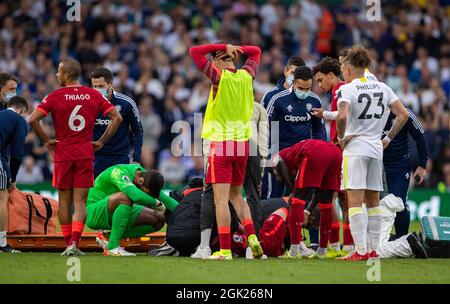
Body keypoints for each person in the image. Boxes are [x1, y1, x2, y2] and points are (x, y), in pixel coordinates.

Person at [28, 59, 123, 256]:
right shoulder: (93, 95)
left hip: (63, 152)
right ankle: (74, 243)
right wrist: (102, 142)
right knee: (80, 202)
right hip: (85, 151)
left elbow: (33, 119)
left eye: (59, 71)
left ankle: (67, 244)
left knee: (64, 200)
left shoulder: (54, 96)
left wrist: (46, 140)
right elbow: (117, 117)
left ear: (67, 75)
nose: (56, 75)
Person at [189, 42, 263, 260]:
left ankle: (224, 250)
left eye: (215, 60)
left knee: (220, 201)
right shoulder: (246, 76)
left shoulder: (219, 78)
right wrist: (238, 48)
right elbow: (256, 51)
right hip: (241, 143)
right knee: (238, 197)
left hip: (221, 143)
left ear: (219, 61)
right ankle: (252, 239)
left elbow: (194, 51)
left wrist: (224, 46)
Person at [336, 46, 409, 261]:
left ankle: (359, 251)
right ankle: (374, 250)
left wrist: (341, 138)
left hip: (355, 149)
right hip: (376, 149)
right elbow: (403, 115)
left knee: (355, 201)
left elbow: (341, 116)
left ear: (348, 70)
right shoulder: (383, 87)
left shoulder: (347, 89)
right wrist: (386, 139)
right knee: (374, 201)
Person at [271, 139, 342, 259]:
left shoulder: (279, 157)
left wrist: (291, 191)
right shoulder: (296, 159)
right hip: (336, 153)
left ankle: (294, 252)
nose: (278, 179)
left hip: (314, 152)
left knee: (297, 202)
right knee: (326, 204)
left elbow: (277, 161)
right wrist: (308, 211)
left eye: (276, 175)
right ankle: (322, 251)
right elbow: (317, 193)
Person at [87, 164, 179, 256]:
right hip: (93, 213)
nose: (145, 194)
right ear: (141, 180)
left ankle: (107, 237)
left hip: (115, 209)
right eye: (145, 192)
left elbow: (163, 198)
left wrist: (185, 211)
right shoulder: (118, 172)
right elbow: (135, 195)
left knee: (159, 219)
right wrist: (156, 204)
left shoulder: (144, 176)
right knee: (125, 197)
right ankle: (113, 247)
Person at [311, 57, 353, 256]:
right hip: (342, 150)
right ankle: (345, 246)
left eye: (320, 80)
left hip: (342, 150)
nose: (319, 85)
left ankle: (341, 246)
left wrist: (324, 114)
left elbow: (342, 116)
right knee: (342, 199)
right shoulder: (345, 89)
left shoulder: (341, 90)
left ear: (331, 75)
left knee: (337, 198)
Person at [264, 66, 326, 199]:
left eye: (308, 88)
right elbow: (268, 127)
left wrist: (319, 153)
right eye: (301, 88)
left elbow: (318, 129)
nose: (304, 92)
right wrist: (272, 156)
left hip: (302, 157)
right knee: (275, 196)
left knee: (301, 198)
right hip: (281, 156)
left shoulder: (314, 100)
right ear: (294, 82)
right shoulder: (278, 100)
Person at [261, 56, 305, 200]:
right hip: (275, 155)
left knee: (297, 198)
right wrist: (267, 155)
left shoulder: (307, 98)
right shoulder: (270, 96)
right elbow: (263, 125)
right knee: (271, 197)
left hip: (298, 157)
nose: (294, 77)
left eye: (297, 74)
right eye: (292, 73)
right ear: (285, 71)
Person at [383, 109, 428, 238]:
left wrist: (422, 165)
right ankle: (374, 240)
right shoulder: (371, 112)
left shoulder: (404, 113)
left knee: (399, 202)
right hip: (375, 164)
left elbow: (420, 137)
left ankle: (401, 239)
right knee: (372, 203)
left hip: (399, 164)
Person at [90, 67, 144, 177]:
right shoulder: (88, 103)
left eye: (100, 86)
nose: (97, 90)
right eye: (94, 86)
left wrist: (136, 158)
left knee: (119, 193)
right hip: (96, 157)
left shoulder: (126, 103)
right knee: (95, 193)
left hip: (119, 157)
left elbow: (138, 131)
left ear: (110, 84)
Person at [0, 96, 28, 253]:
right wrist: (13, 178)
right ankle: (2, 243)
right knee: (2, 196)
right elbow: (17, 153)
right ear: (22, 110)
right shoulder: (19, 120)